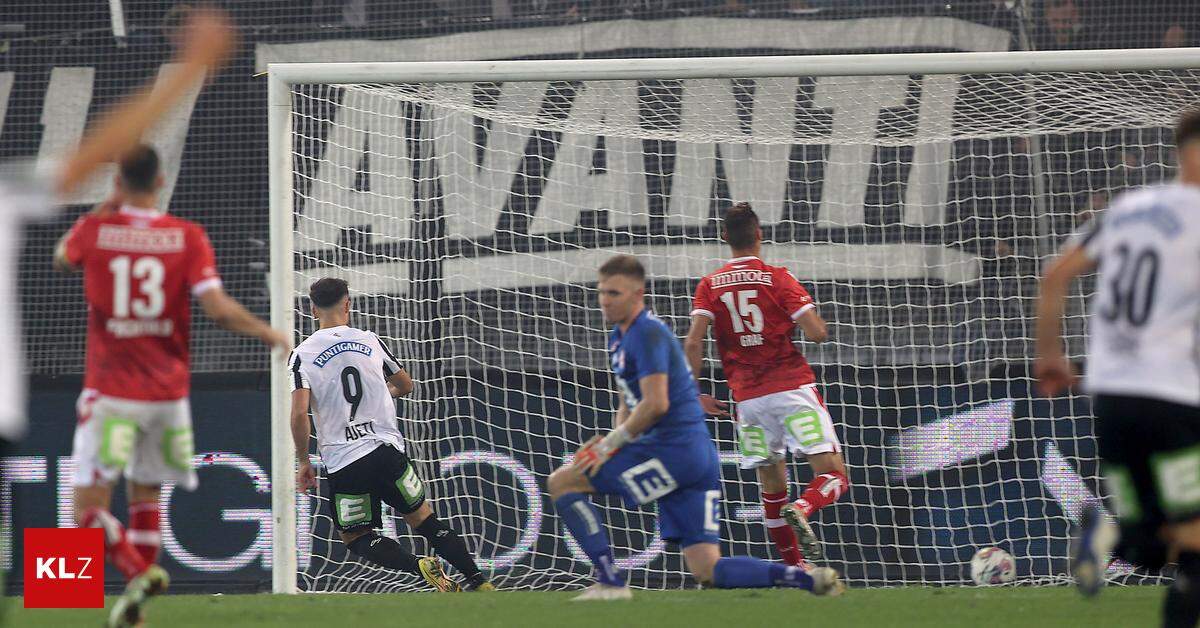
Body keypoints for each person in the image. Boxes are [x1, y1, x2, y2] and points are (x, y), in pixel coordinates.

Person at [55, 141, 289, 627]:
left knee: (86, 511)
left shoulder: (97, 231)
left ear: (118, 183)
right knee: (144, 500)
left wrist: (103, 208)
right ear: (160, 181)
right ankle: (135, 613)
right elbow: (218, 309)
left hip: (112, 397)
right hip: (166, 399)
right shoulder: (186, 236)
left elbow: (61, 258)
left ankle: (138, 571)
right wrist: (268, 332)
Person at [547, 254, 844, 600]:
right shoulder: (620, 337)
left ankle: (610, 581)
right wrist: (620, 440)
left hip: (673, 454)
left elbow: (656, 404)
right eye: (602, 292)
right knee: (708, 569)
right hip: (693, 460)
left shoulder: (647, 334)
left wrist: (609, 444)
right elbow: (628, 401)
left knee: (563, 481)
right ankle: (809, 579)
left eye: (614, 293)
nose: (605, 300)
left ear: (638, 294)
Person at [1035, 109, 1200, 627]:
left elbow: (1054, 276)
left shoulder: (1128, 208)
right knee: (1195, 548)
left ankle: (1110, 535)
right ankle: (1113, 536)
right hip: (1172, 394)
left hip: (1109, 396)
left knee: (1158, 547)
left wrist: (1050, 357)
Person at [289, 278, 494, 592]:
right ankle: (480, 583)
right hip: (387, 450)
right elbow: (405, 384)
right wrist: (380, 397)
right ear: (347, 304)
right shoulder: (369, 340)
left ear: (313, 309)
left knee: (356, 538)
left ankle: (418, 565)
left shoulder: (302, 354)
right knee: (425, 520)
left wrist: (304, 461)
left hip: (346, 461)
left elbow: (299, 414)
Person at [683, 203, 846, 566]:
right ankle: (803, 508)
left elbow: (694, 342)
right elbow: (817, 333)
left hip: (749, 404)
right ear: (759, 234)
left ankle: (793, 568)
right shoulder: (778, 277)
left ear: (725, 237)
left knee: (771, 488)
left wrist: (693, 394)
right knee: (833, 475)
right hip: (791, 392)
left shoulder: (709, 285)